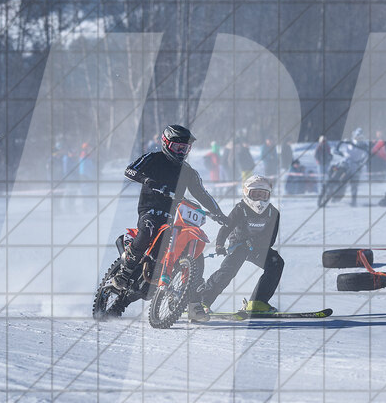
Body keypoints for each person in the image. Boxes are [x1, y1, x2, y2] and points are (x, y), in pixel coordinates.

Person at [109, 125, 226, 293]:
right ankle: (125, 271)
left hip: (173, 214)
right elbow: (130, 170)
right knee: (148, 229)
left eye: (185, 148)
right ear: (165, 143)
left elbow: (202, 194)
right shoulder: (153, 158)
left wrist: (219, 214)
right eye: (177, 147)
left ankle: (180, 284)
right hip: (150, 208)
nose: (181, 152)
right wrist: (146, 180)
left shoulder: (189, 172)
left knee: (181, 241)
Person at [188, 175, 283, 320]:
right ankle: (202, 302)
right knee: (227, 272)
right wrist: (219, 244)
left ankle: (258, 302)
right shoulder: (241, 208)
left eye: (263, 195)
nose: (259, 199)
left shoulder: (273, 213)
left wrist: (254, 243)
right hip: (238, 246)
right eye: (256, 194)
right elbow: (226, 227)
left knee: (276, 263)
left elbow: (271, 238)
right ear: (247, 193)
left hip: (259, 248)